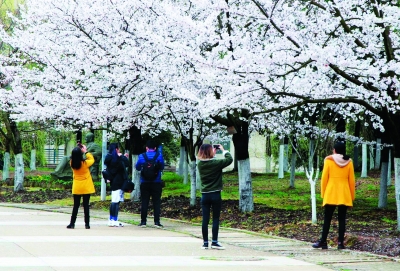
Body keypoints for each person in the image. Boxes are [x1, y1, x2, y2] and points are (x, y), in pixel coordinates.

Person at [312, 141, 355, 250]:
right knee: (342, 219)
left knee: (327, 218)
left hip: (331, 192)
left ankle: (323, 241)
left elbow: (324, 178)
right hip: (344, 193)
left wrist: (323, 194)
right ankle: (340, 243)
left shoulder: (329, 160)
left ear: (334, 150)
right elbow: (352, 181)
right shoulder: (349, 161)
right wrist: (351, 197)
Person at [197, 143, 233, 250]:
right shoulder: (216, 163)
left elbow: (208, 160)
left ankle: (205, 243)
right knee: (215, 218)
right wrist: (223, 150)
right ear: (210, 151)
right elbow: (229, 159)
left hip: (205, 195)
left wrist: (213, 153)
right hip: (215, 194)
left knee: (205, 219)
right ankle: (214, 242)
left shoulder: (200, 164)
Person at [135, 140, 165, 228]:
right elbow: (162, 167)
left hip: (144, 182)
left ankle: (143, 222)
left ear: (146, 148)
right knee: (156, 202)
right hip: (156, 182)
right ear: (155, 148)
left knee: (144, 202)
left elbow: (137, 167)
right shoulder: (159, 156)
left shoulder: (141, 156)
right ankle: (157, 222)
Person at [67, 144, 95, 229]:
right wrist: (85, 151)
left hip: (77, 186)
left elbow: (73, 158)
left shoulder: (72, 163)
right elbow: (92, 159)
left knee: (76, 205)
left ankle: (72, 223)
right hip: (86, 186)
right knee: (86, 205)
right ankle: (87, 224)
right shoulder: (85, 163)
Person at [104, 143, 129, 227]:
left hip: (113, 182)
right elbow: (126, 164)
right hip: (119, 182)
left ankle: (112, 219)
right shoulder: (117, 159)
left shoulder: (109, 158)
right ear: (117, 149)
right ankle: (114, 220)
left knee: (114, 201)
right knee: (116, 202)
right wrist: (122, 157)